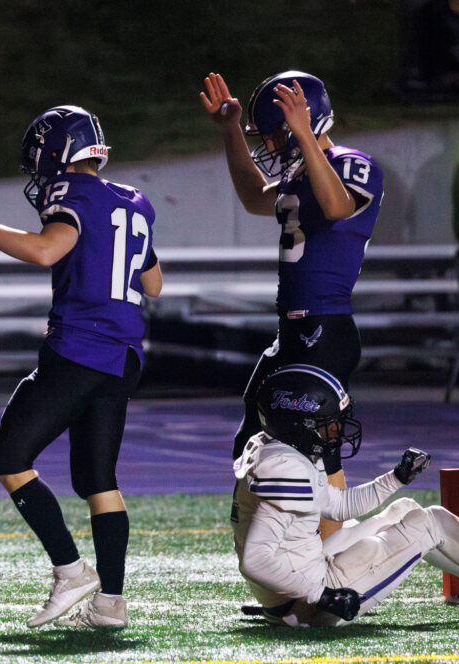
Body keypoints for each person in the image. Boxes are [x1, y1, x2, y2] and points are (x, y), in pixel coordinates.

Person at [0, 105, 163, 629]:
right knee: (99, 481)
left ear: (58, 152)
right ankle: (111, 605)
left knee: (7, 456)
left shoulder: (71, 194)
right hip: (123, 357)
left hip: (80, 349)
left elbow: (44, 252)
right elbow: (153, 284)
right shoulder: (135, 200)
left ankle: (70, 569)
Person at [200, 70, 384, 538]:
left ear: (305, 119)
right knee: (254, 439)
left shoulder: (351, 164)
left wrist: (304, 133)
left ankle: (337, 562)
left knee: (319, 447)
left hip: (326, 328)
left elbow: (338, 206)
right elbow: (252, 196)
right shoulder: (300, 172)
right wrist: (229, 131)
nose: (272, 144)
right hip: (293, 332)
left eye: (276, 132)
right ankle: (289, 559)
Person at [231, 363, 459, 626]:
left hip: (294, 592)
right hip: (309, 603)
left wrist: (395, 478)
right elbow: (255, 560)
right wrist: (322, 596)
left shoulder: (276, 448)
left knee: (404, 509)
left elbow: (337, 506)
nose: (336, 431)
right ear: (300, 425)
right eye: (328, 424)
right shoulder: (285, 467)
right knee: (431, 521)